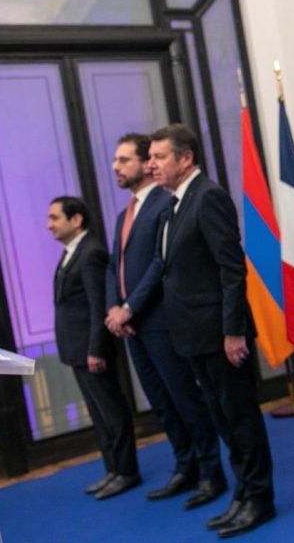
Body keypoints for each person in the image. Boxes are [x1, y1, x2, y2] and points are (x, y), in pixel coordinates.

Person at [148, 124, 275, 537]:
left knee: (240, 419)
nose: (151, 165)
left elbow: (231, 268)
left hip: (222, 335)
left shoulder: (208, 197)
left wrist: (233, 331)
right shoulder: (173, 205)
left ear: (186, 158)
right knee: (223, 421)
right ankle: (243, 493)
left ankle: (260, 500)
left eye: (159, 157)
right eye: (150, 158)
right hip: (194, 336)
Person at [103, 133, 223, 507]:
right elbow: (114, 266)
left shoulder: (164, 203)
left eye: (124, 160)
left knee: (185, 398)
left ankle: (211, 473)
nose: (115, 167)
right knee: (161, 403)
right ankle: (185, 467)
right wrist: (114, 309)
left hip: (161, 320)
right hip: (133, 327)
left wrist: (131, 307)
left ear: (144, 164)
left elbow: (160, 262)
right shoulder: (124, 215)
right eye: (116, 160)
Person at [47, 196, 139, 499]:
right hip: (77, 349)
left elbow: (98, 305)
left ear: (76, 220)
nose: (49, 225)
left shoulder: (91, 253)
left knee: (112, 412)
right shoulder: (71, 252)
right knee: (99, 414)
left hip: (92, 349)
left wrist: (96, 349)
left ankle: (126, 471)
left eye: (55, 218)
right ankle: (113, 469)